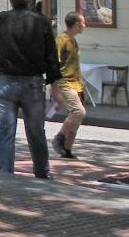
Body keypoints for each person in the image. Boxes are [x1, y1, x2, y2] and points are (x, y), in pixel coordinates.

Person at [0, 0, 63, 180]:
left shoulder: (0, 20)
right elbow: (52, 58)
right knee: (36, 132)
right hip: (33, 84)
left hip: (6, 83)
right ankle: (42, 173)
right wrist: (55, 89)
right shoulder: (42, 22)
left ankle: (6, 173)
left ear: (10, 0)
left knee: (5, 131)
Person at [51, 11, 86, 160]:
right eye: (83, 23)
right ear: (77, 25)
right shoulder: (62, 41)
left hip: (75, 83)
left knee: (77, 118)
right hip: (65, 83)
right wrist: (54, 88)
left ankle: (67, 148)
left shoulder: (73, 41)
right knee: (78, 112)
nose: (85, 25)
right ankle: (59, 138)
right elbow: (54, 64)